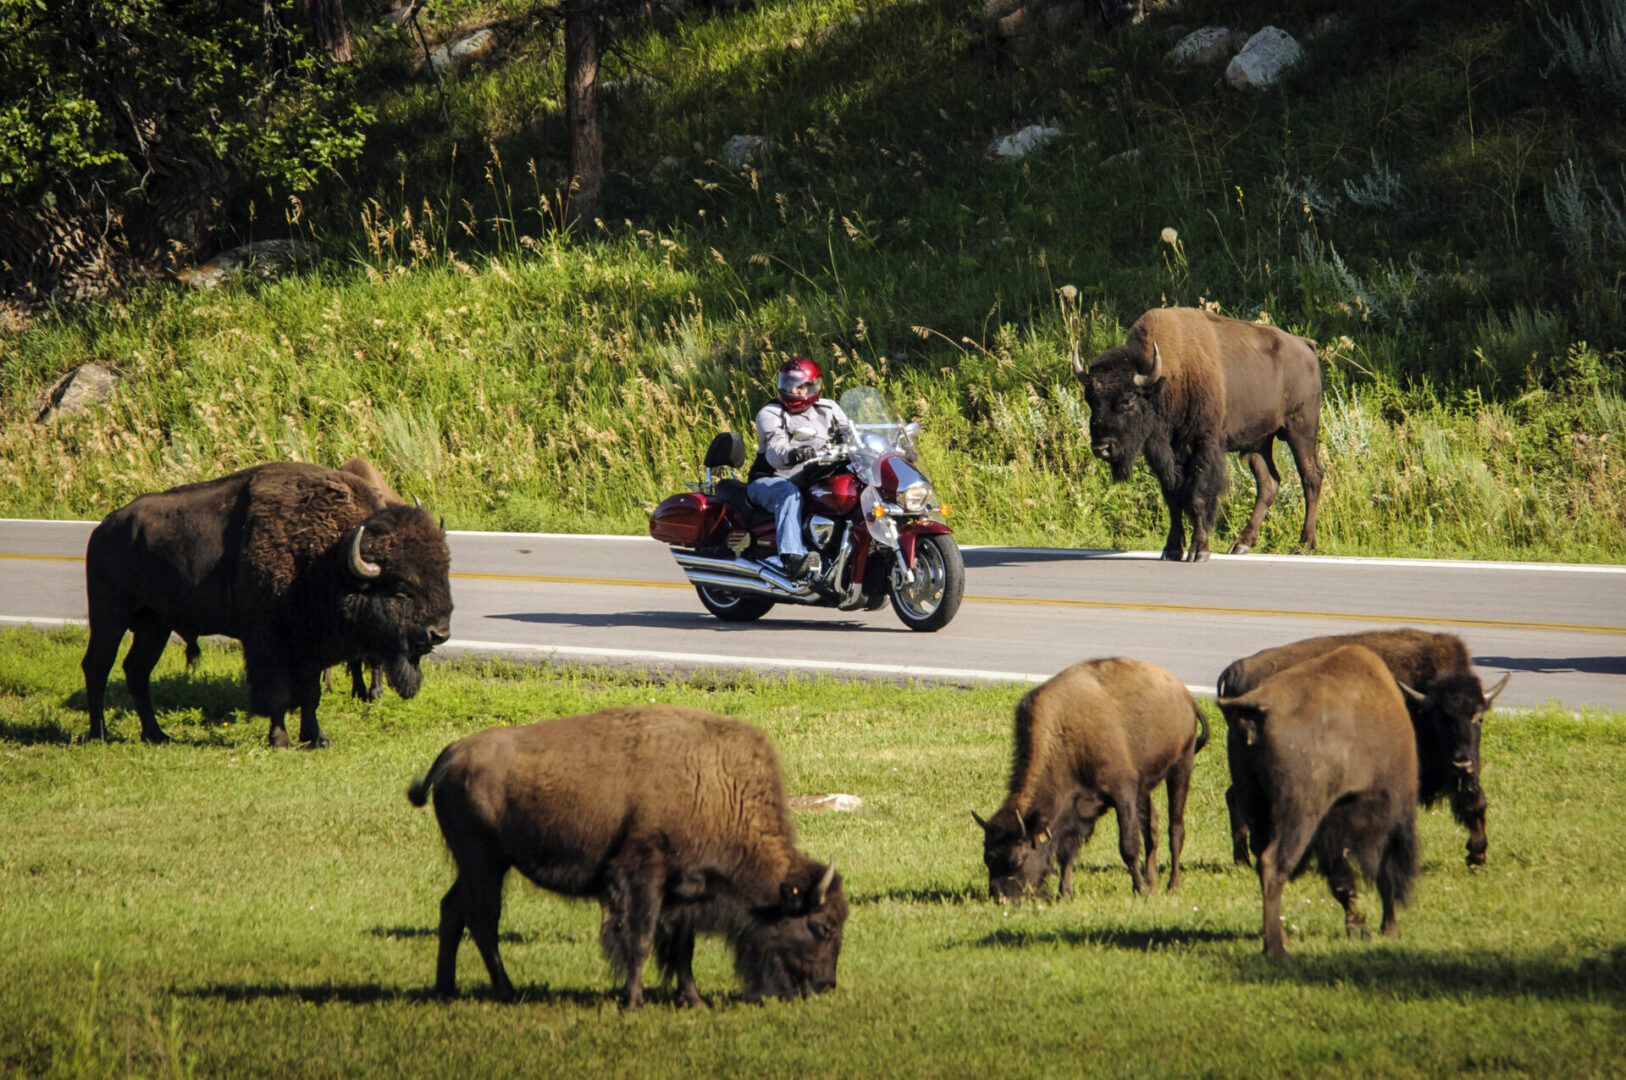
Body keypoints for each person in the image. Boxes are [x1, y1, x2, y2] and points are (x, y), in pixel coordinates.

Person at [747, 356, 852, 581]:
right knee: (788, 494)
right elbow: (775, 449)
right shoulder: (771, 413)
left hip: (812, 476)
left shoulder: (829, 408)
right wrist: (794, 453)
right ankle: (793, 558)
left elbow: (852, 433)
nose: (794, 390)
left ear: (815, 386)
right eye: (789, 383)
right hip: (771, 479)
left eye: (801, 385)